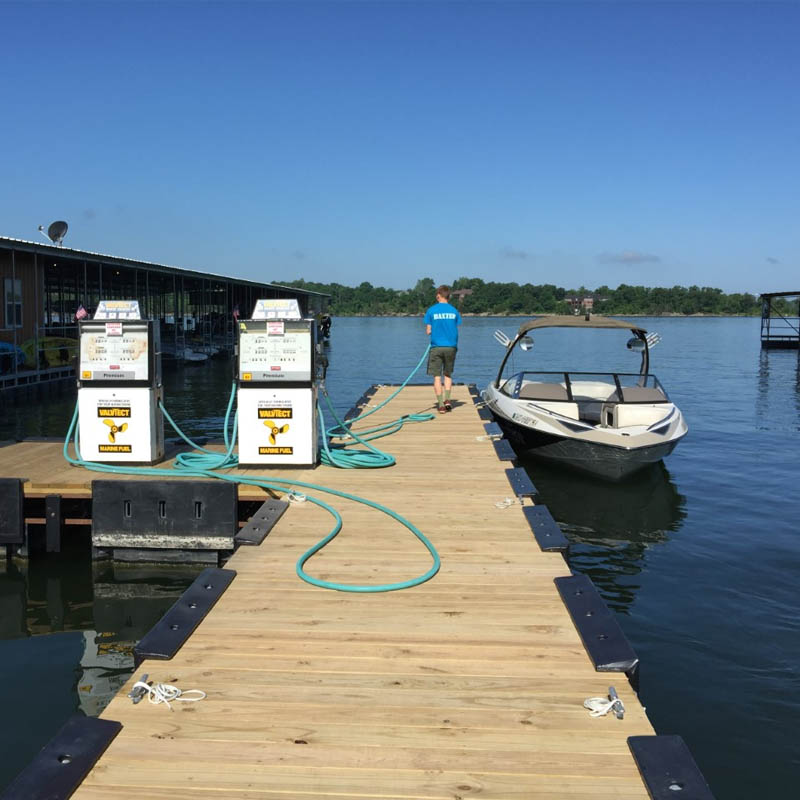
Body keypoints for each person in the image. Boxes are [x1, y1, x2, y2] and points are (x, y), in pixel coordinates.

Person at [424, 285, 461, 413]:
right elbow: (455, 327)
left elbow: (428, 331)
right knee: (448, 374)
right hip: (451, 346)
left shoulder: (431, 310)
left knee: (437, 377)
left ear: (438, 295)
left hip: (436, 347)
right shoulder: (454, 311)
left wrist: (434, 330)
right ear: (448, 296)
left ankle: (440, 405)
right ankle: (448, 400)